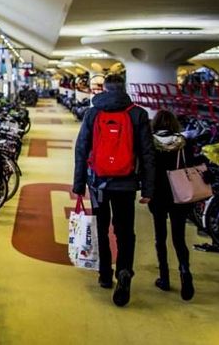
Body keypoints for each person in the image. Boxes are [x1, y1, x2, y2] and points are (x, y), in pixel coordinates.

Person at [72, 74, 156, 307]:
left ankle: (105, 275)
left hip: (98, 183)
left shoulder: (93, 113)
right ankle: (124, 271)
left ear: (105, 89)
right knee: (125, 231)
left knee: (101, 227)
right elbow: (148, 154)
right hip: (126, 184)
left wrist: (78, 184)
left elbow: (81, 149)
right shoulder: (138, 114)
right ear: (123, 88)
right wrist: (149, 188)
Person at [148, 109, 195, 301]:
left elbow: (147, 167)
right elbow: (191, 165)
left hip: (158, 194)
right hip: (179, 193)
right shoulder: (183, 143)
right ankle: (185, 272)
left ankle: (164, 277)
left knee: (161, 237)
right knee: (179, 237)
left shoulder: (151, 142)